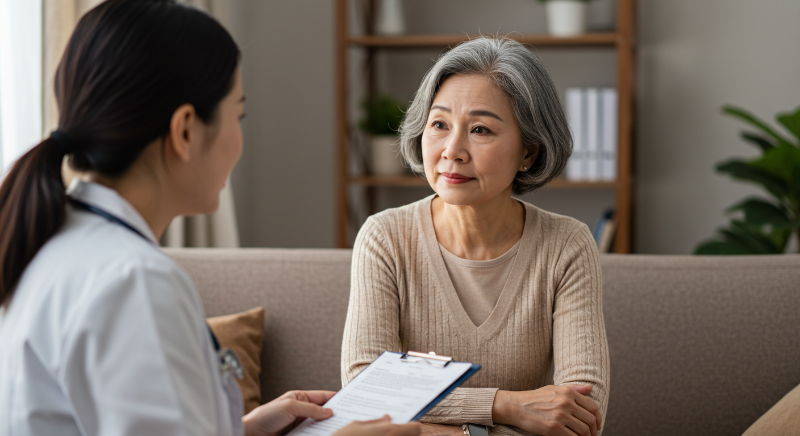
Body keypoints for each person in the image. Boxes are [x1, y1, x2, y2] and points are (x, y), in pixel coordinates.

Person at [0, 1, 419, 436]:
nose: (239, 138)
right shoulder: (134, 282)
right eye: (237, 115)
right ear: (185, 131)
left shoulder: (50, 241)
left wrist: (242, 430)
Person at [342, 37, 610, 436]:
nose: (452, 150)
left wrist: (426, 428)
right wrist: (507, 406)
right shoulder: (384, 237)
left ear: (529, 153)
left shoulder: (566, 244)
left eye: (480, 129)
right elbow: (367, 392)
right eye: (439, 124)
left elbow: (583, 413)